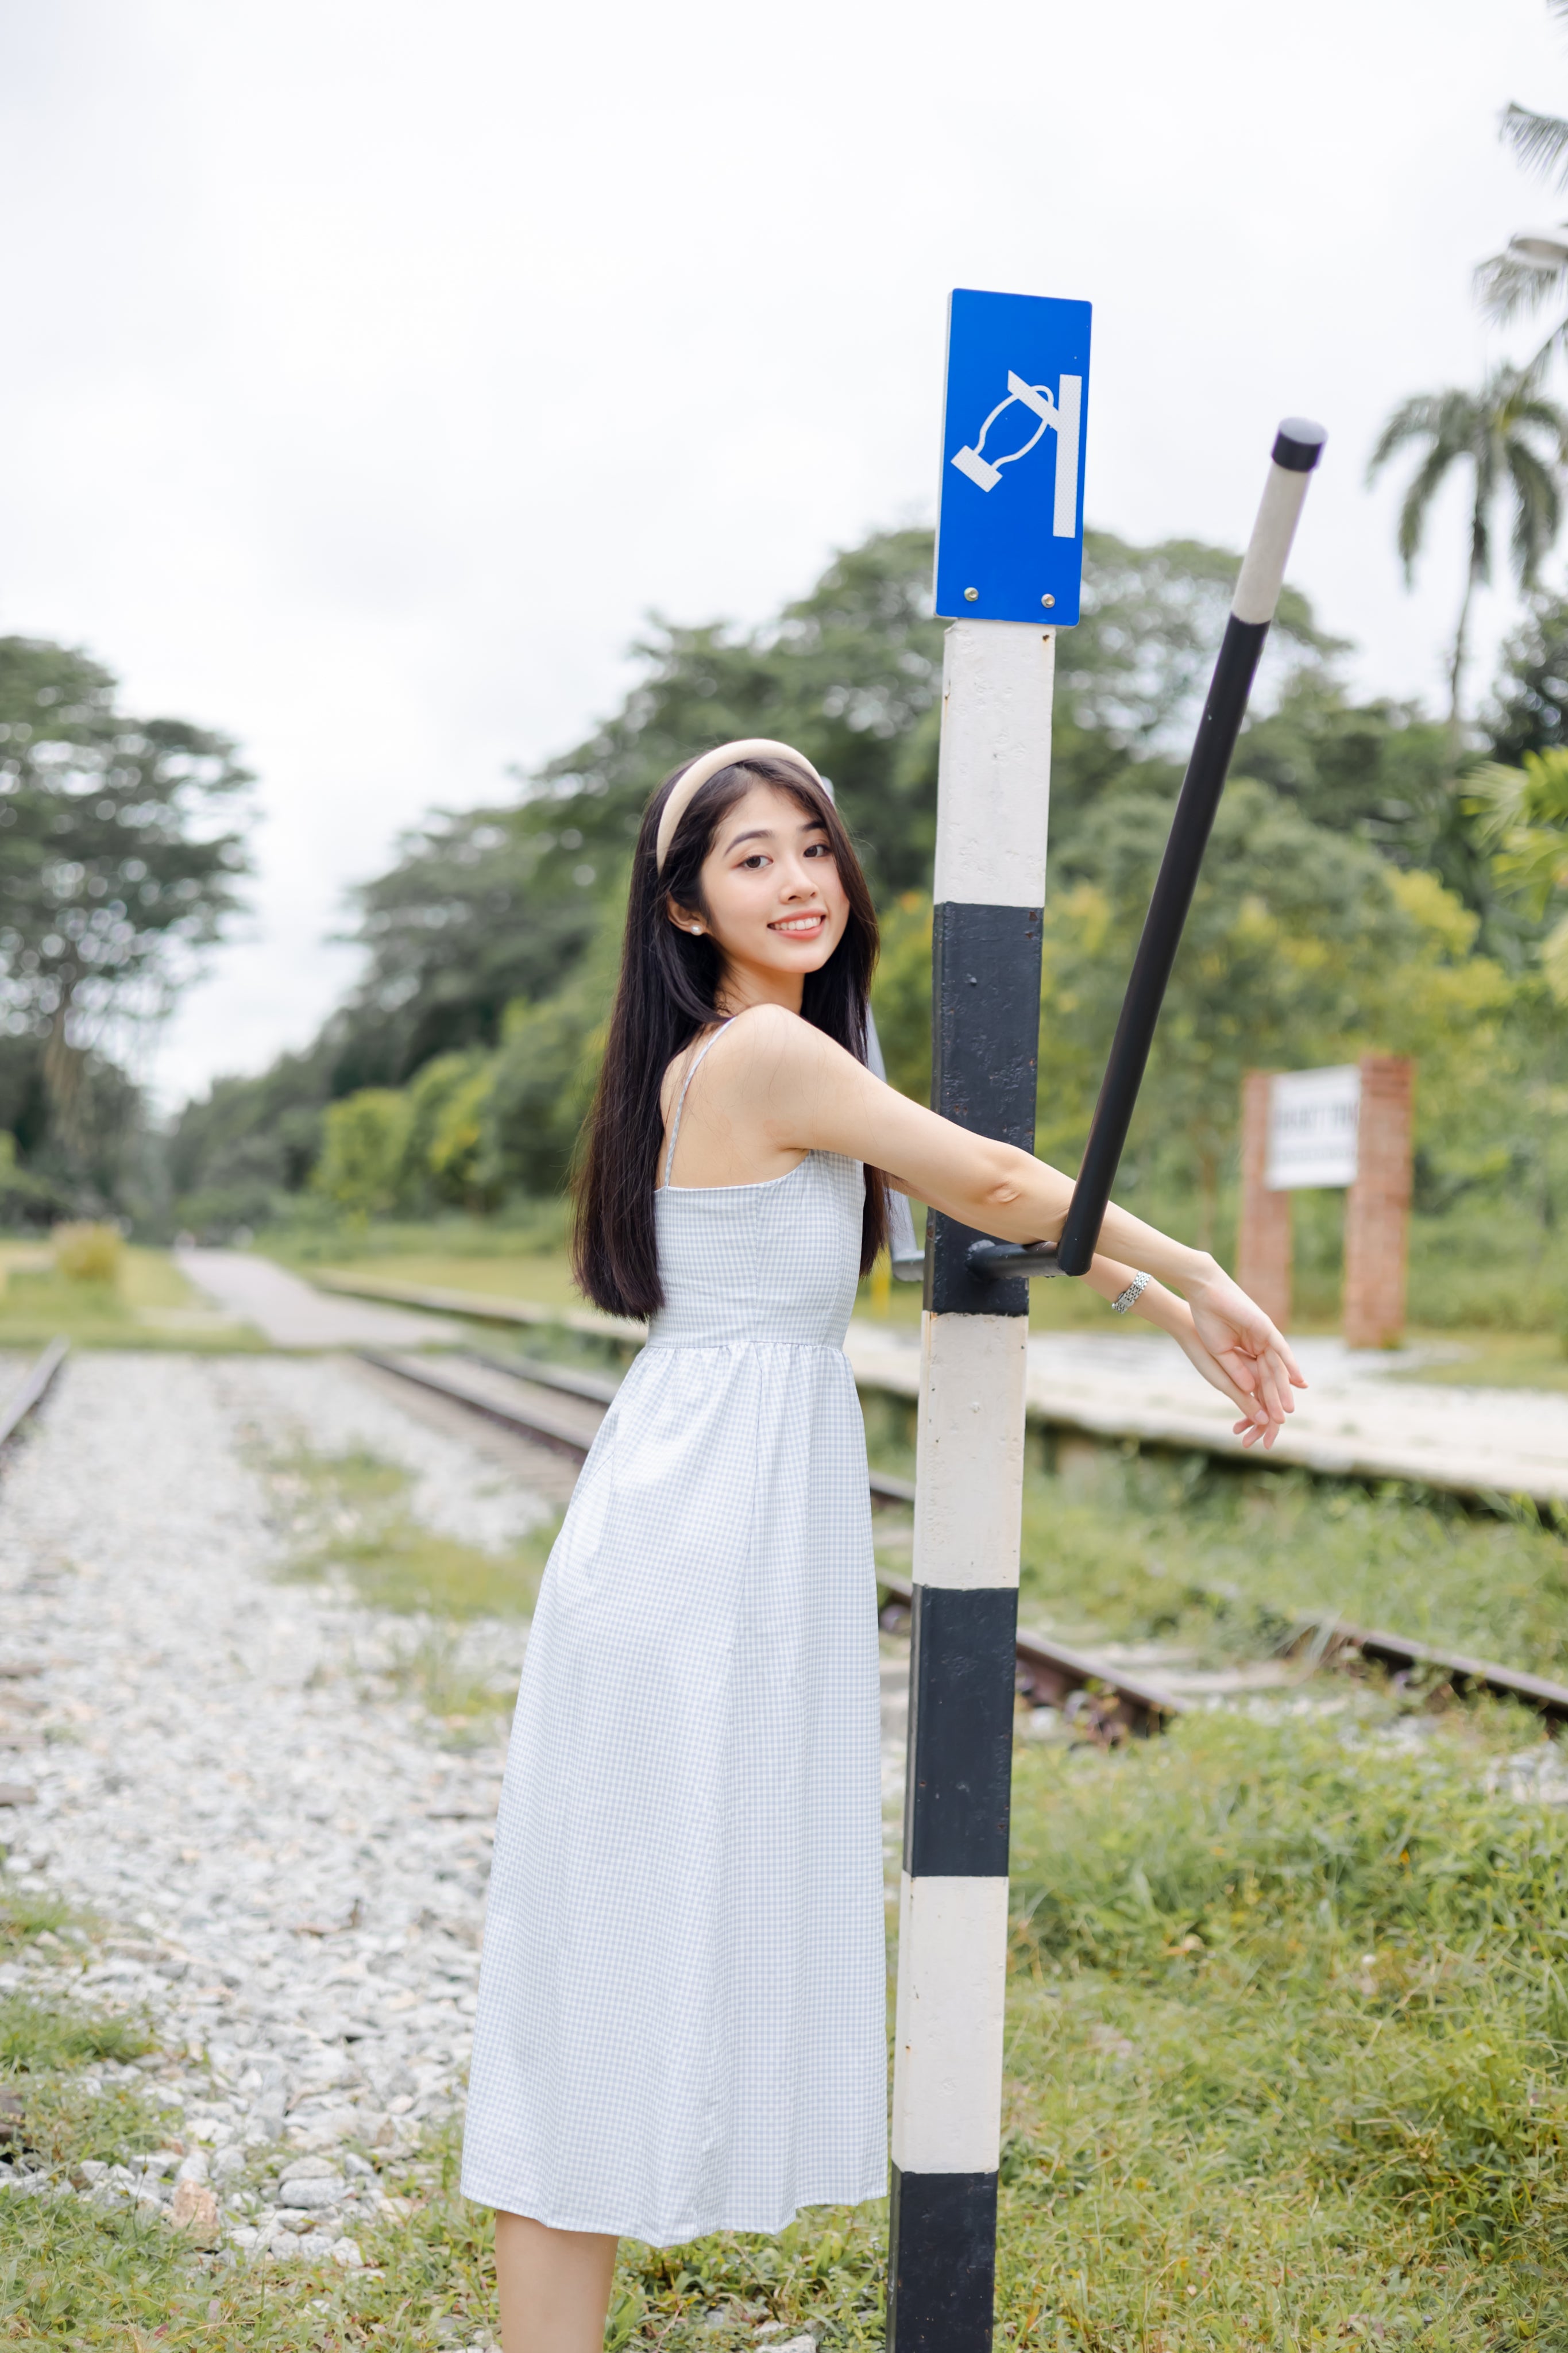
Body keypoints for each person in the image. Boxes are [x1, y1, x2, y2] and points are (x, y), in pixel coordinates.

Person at [461, 740, 1305, 2352]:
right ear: (684, 908)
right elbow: (986, 1171)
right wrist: (1198, 1269)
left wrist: (1138, 1295)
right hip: (696, 1541)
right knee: (607, 1964)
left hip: (715, 1507)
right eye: (749, 860)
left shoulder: (781, 1049)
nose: (796, 882)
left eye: (811, 850)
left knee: (624, 1952)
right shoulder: (758, 1057)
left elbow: (963, 1198)